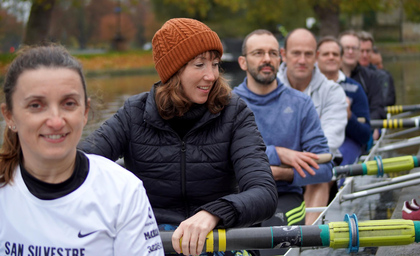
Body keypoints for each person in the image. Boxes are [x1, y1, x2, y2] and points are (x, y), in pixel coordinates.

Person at [79, 18, 278, 256]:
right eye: (199, 65)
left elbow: (264, 192)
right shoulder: (134, 113)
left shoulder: (235, 112)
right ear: (174, 70)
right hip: (158, 240)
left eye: (214, 64)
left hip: (221, 236)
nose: (211, 75)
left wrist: (213, 213)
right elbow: (80, 161)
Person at [0, 44, 164, 256]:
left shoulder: (123, 191)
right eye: (36, 105)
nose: (56, 121)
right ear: (9, 116)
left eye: (68, 103)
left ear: (85, 112)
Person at [233, 29, 333, 230]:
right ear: (243, 62)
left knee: (273, 246)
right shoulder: (227, 105)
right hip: (238, 195)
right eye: (258, 53)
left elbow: (324, 170)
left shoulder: (301, 103)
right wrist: (278, 153)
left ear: (280, 59)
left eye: (272, 53)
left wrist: (281, 174)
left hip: (284, 195)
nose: (267, 59)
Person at [277, 28, 347, 225]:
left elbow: (328, 144)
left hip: (313, 166)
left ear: (316, 57)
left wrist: (286, 161)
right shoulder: (268, 89)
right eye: (296, 53)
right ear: (283, 55)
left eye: (308, 54)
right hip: (279, 162)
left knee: (320, 173)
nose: (302, 60)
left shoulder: (333, 92)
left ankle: (307, 237)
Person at [317, 37, 371, 171]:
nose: (331, 57)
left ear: (341, 59)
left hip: (346, 142)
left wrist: (349, 116)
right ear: (316, 58)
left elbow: (365, 135)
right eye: (326, 54)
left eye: (335, 54)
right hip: (314, 143)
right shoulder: (306, 86)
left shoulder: (355, 89)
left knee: (335, 163)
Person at [339, 30, 385, 124]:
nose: (350, 52)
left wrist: (372, 126)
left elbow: (378, 108)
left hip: (362, 127)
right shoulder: (328, 75)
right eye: (347, 48)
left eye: (354, 48)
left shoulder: (371, 77)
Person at [358, 31, 396, 106]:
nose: (365, 55)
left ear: (372, 52)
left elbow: (385, 101)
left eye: (368, 51)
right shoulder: (346, 73)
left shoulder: (381, 76)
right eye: (361, 51)